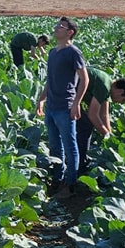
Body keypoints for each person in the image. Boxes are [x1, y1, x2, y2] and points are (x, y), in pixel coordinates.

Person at [35, 17, 89, 198]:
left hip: (65, 107)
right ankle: (57, 179)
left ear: (70, 32)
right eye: (58, 24)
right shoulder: (52, 52)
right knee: (55, 147)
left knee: (70, 146)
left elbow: (84, 79)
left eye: (61, 26)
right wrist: (41, 100)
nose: (57, 27)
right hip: (51, 107)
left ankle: (70, 183)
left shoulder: (73, 52)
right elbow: (50, 80)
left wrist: (76, 104)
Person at [77, 69, 125, 175]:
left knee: (82, 124)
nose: (121, 103)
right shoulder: (105, 86)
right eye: (124, 100)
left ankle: (78, 159)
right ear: (120, 91)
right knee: (86, 125)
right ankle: (80, 164)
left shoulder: (107, 83)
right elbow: (93, 115)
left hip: (68, 92)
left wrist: (110, 137)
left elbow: (104, 114)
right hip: (65, 92)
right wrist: (105, 134)